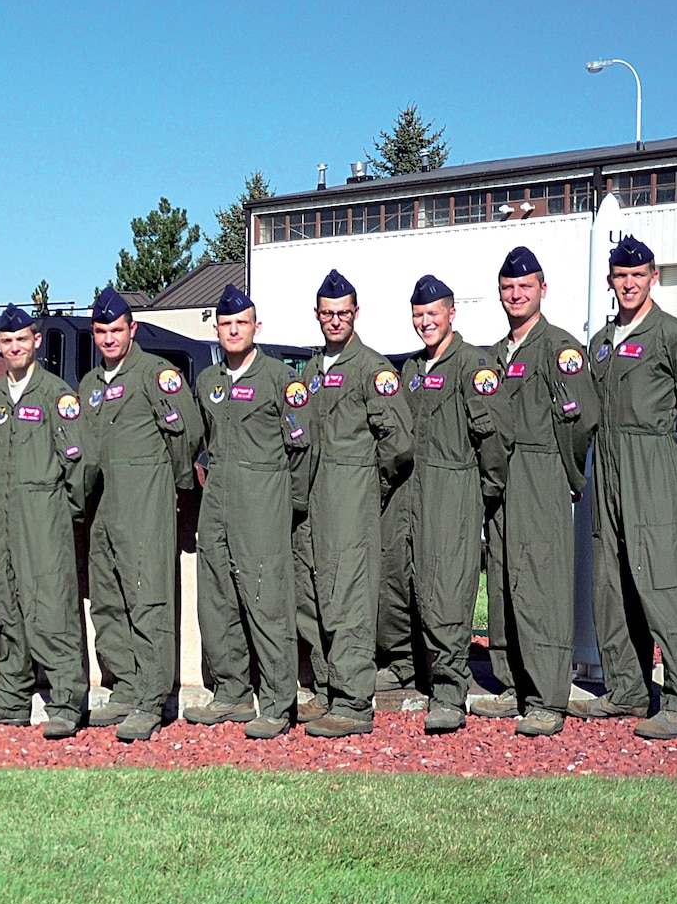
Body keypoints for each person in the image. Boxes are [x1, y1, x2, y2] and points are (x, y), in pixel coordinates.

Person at [573, 235, 677, 740]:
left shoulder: (673, 336)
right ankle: (628, 691)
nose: (629, 284)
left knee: (664, 584)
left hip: (653, 467)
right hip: (607, 468)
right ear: (611, 281)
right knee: (611, 582)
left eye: (638, 275)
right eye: (621, 276)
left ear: (653, 278)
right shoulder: (602, 342)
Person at [475, 247, 597, 736]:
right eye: (508, 287)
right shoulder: (497, 354)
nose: (516, 294)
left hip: (539, 470)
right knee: (503, 580)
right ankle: (513, 684)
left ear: (543, 290)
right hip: (502, 475)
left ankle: (547, 697)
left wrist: (565, 472)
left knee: (541, 584)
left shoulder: (558, 348)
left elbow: (582, 419)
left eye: (525, 286)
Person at [74, 286, 201, 742]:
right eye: (101, 331)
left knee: (148, 600)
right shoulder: (89, 385)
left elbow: (187, 432)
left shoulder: (156, 374)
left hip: (144, 501)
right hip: (103, 507)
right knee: (108, 600)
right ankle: (125, 687)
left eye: (116, 330)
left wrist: (178, 484)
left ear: (133, 330)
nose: (109, 338)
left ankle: (150, 700)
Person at [183, 285, 310, 739]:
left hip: (262, 498)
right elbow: (202, 441)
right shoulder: (208, 381)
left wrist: (288, 504)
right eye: (226, 324)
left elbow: (302, 449)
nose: (233, 330)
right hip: (218, 499)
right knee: (217, 599)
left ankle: (277, 702)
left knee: (266, 599)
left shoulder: (280, 379)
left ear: (257, 326)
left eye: (241, 323)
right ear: (216, 329)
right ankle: (232, 693)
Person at [0, 304, 90, 738]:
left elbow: (81, 465)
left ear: (36, 340)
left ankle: (67, 702)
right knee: (7, 601)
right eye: (7, 341)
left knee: (51, 604)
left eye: (22, 339)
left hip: (44, 512)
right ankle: (11, 699)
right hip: (4, 511)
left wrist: (63, 511)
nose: (15, 347)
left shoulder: (56, 396)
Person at [291, 269, 409, 738]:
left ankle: (354, 702)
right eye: (327, 313)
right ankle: (326, 689)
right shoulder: (311, 371)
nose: (335, 320)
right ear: (317, 315)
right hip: (312, 502)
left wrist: (368, 486)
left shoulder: (371, 369)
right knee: (312, 598)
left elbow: (398, 443)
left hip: (349, 498)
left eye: (342, 313)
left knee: (348, 599)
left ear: (356, 313)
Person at [400, 275, 506, 733]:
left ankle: (448, 693)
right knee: (413, 585)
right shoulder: (411, 368)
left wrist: (484, 491)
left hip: (454, 488)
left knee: (447, 591)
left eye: (433, 314)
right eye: (419, 315)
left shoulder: (472, 365)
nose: (426, 322)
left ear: (451, 314)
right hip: (414, 491)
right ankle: (416, 672)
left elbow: (494, 437)